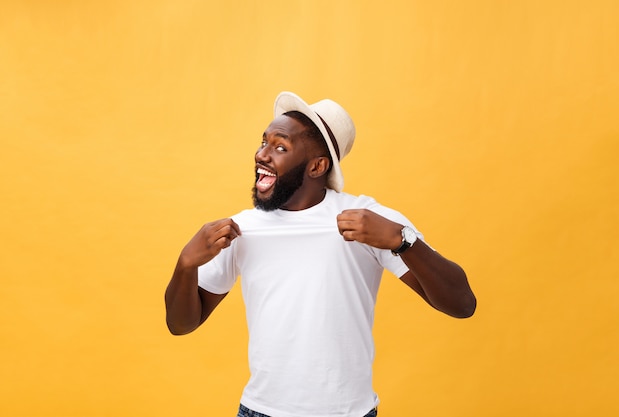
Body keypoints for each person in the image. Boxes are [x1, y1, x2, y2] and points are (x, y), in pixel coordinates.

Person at [165, 91, 476, 417]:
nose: (262, 155)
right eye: (264, 142)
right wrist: (186, 263)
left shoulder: (365, 219)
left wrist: (403, 241)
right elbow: (181, 324)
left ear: (317, 166)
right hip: (260, 411)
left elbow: (462, 304)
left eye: (280, 147)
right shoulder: (242, 229)